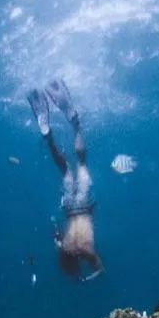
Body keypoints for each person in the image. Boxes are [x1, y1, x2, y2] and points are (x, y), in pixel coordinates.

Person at [28, 79, 104, 282]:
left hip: (85, 205)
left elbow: (99, 267)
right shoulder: (64, 247)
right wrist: (55, 233)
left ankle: (75, 123)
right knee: (66, 170)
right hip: (70, 207)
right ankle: (48, 136)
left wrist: (92, 276)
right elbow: (56, 232)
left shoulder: (84, 251)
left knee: (80, 163)